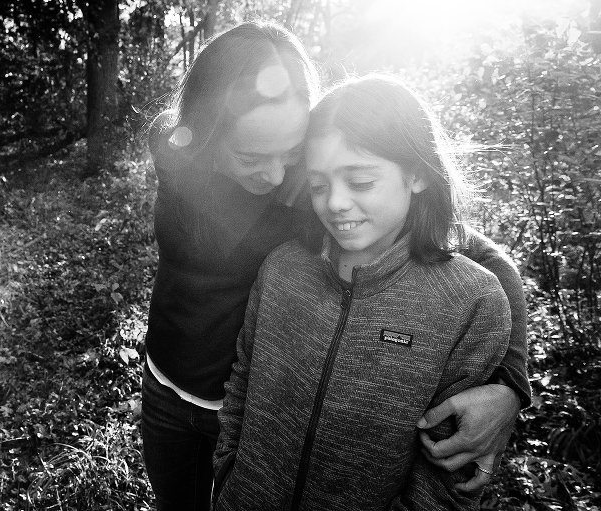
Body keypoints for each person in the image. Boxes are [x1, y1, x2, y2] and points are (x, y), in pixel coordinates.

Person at [143, 21, 529, 511]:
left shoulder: (316, 188)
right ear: (206, 133)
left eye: (291, 153)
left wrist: (509, 384)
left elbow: (478, 258)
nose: (276, 174)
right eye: (251, 156)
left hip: (257, 412)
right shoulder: (174, 152)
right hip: (167, 390)